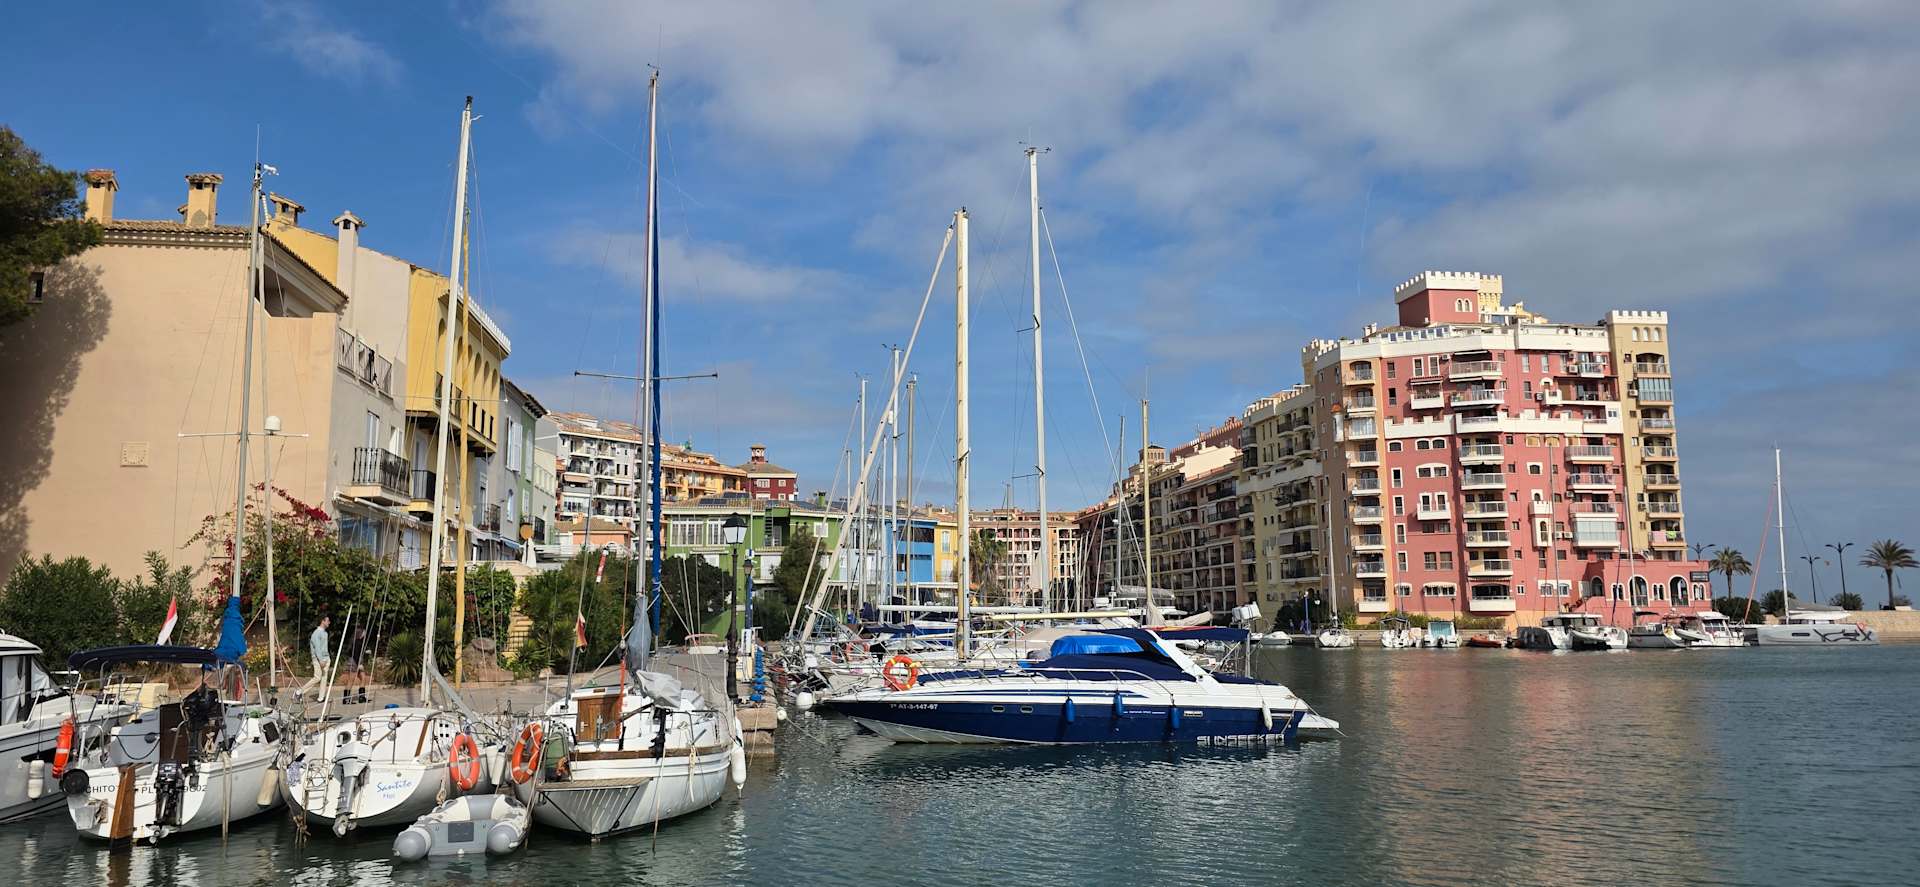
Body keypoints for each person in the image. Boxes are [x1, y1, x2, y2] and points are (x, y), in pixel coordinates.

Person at [294, 615, 331, 701]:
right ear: (322, 621)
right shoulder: (316, 633)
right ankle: (299, 692)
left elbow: (324, 647)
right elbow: (317, 648)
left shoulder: (325, 633)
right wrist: (320, 660)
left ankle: (321, 697)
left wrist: (327, 658)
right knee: (317, 677)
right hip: (318, 659)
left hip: (326, 658)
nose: (329, 622)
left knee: (324, 678)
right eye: (327, 621)